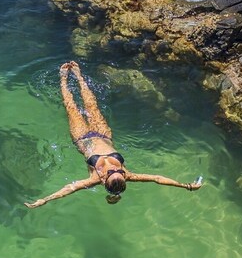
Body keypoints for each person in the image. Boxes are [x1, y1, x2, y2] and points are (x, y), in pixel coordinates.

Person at [25, 61, 202, 208]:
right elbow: (157, 178)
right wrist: (185, 186)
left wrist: (45, 200)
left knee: (71, 107)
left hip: (82, 138)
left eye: (114, 171)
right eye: (119, 171)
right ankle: (79, 76)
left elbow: (69, 189)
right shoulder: (127, 175)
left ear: (103, 180)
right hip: (103, 135)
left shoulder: (94, 178)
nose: (115, 168)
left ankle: (63, 78)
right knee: (92, 104)